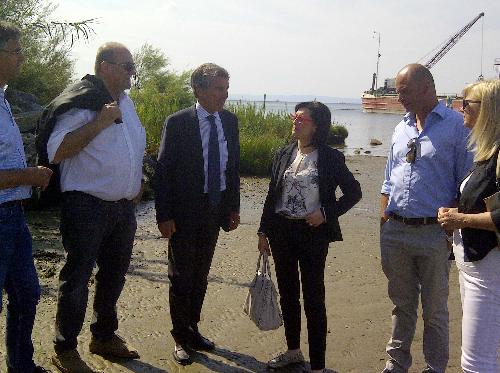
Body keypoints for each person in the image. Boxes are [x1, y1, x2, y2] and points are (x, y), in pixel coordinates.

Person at [46, 42, 145, 373]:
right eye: (127, 65)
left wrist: (135, 182)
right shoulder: (83, 102)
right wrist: (100, 122)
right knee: (77, 277)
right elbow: (57, 150)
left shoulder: (127, 103)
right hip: (86, 206)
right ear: (106, 67)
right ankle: (65, 347)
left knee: (113, 277)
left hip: (121, 209)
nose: (133, 71)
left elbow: (128, 148)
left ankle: (103, 336)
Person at [379, 64, 472, 373]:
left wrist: (451, 233)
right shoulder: (400, 127)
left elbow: (466, 186)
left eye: (404, 90)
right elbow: (388, 180)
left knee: (434, 310)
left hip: (434, 233)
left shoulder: (457, 127)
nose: (399, 95)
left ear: (427, 88)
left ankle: (435, 368)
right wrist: (384, 222)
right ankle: (396, 364)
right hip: (396, 230)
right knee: (401, 305)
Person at [257, 101, 362, 372]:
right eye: (295, 117)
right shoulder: (283, 153)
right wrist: (263, 231)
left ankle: (317, 366)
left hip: (313, 234)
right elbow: (272, 196)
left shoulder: (330, 157)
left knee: (314, 299)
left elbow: (353, 193)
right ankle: (293, 352)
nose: (295, 121)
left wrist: (326, 213)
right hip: (282, 232)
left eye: (302, 118)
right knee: (288, 296)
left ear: (316, 125)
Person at [154, 62, 240, 365]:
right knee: (181, 275)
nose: (224, 95)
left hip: (214, 209)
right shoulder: (178, 122)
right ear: (199, 89)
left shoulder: (229, 121)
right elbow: (163, 171)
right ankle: (179, 337)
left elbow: (232, 167)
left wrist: (233, 207)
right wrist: (164, 214)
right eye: (219, 89)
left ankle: (192, 329)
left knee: (201, 275)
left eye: (227, 89)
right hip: (184, 211)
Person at [0, 20, 53, 373]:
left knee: (27, 294)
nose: (23, 58)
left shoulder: (2, 100)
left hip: (14, 217)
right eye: (16, 51)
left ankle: (21, 365)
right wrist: (29, 176)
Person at [437, 80, 500, 373]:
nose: (459, 109)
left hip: (489, 269)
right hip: (474, 265)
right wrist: (459, 213)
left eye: (466, 104)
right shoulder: (487, 154)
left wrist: (459, 219)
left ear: (488, 110)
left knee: (476, 361)